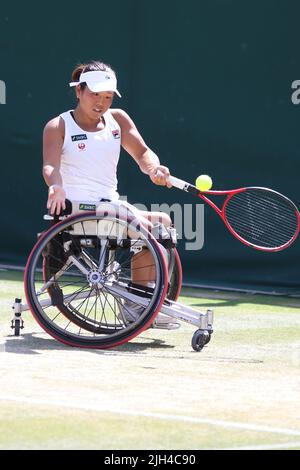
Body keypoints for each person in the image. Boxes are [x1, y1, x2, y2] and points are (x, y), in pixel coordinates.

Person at [42, 60, 178, 329]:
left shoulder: (118, 119)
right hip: (78, 210)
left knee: (163, 221)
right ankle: (137, 304)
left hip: (111, 207)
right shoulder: (58, 126)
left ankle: (141, 297)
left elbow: (142, 152)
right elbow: (50, 165)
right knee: (145, 229)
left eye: (107, 97)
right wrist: (54, 185)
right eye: (95, 94)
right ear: (78, 91)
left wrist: (153, 169)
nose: (101, 103)